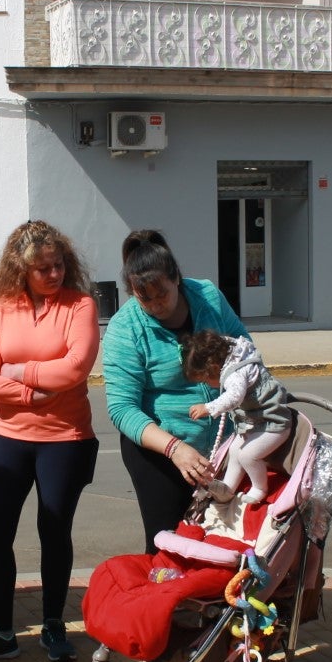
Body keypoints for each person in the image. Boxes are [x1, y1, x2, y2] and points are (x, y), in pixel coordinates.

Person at [0, 221, 100, 662]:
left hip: (65, 438)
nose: (54, 274)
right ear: (21, 269)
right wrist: (32, 393)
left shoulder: (80, 306)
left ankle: (54, 624)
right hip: (7, 437)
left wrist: (18, 373)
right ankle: (1, 631)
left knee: (54, 532)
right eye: (42, 268)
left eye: (58, 265)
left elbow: (75, 368)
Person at [102, 230, 250, 553]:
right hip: (159, 452)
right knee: (168, 546)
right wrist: (175, 449)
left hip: (224, 447)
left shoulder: (208, 296)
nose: (156, 305)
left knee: (226, 540)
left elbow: (245, 352)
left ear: (177, 279)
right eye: (145, 299)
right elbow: (122, 409)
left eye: (162, 294)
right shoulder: (125, 328)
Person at [181, 330, 294, 506]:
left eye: (205, 380)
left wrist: (208, 408)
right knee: (234, 450)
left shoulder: (235, 374)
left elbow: (234, 397)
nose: (206, 385)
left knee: (248, 455)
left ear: (214, 368)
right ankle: (228, 487)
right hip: (255, 422)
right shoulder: (234, 353)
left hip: (273, 423)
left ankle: (260, 488)